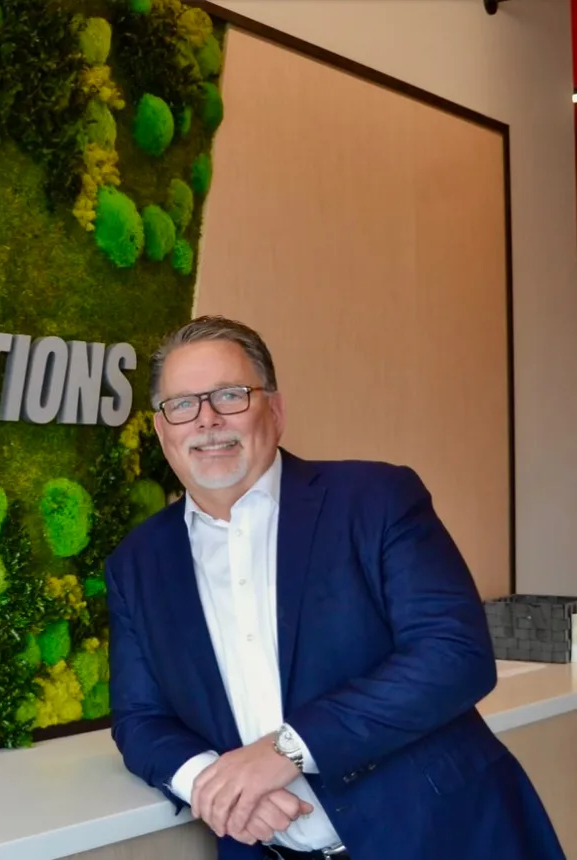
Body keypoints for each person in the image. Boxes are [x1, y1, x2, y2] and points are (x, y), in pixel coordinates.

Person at [105, 316, 565, 860]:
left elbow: (454, 654)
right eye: (182, 405)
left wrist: (286, 751)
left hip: (441, 836)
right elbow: (139, 718)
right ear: (163, 432)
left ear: (273, 411)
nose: (206, 421)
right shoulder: (138, 561)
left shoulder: (374, 498)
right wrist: (214, 782)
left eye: (230, 396)